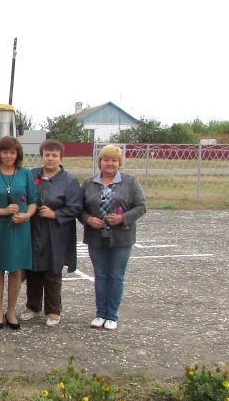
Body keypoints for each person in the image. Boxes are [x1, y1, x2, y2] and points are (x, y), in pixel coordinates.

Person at [79, 144, 146, 331]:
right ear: (100, 162)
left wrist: (122, 218)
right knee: (100, 276)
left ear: (119, 163)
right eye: (106, 160)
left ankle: (112, 315)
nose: (110, 163)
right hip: (96, 237)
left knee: (116, 276)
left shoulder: (130, 182)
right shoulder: (89, 183)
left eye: (114, 160)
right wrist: (88, 220)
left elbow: (141, 207)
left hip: (122, 238)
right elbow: (79, 209)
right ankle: (100, 313)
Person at [0, 136, 37, 330]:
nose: (9, 156)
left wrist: (26, 215)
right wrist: (3, 211)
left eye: (12, 152)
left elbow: (34, 201)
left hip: (20, 227)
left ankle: (11, 311)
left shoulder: (26, 173)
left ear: (17, 154)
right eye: (5, 152)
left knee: (16, 270)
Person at [21, 139, 84, 327]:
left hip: (55, 231)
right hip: (33, 228)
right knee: (32, 268)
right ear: (41, 157)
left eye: (54, 155)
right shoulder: (32, 175)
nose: (50, 158)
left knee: (52, 270)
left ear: (60, 158)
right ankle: (32, 305)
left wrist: (55, 213)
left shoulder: (69, 180)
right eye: (47, 155)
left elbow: (76, 207)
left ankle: (54, 309)